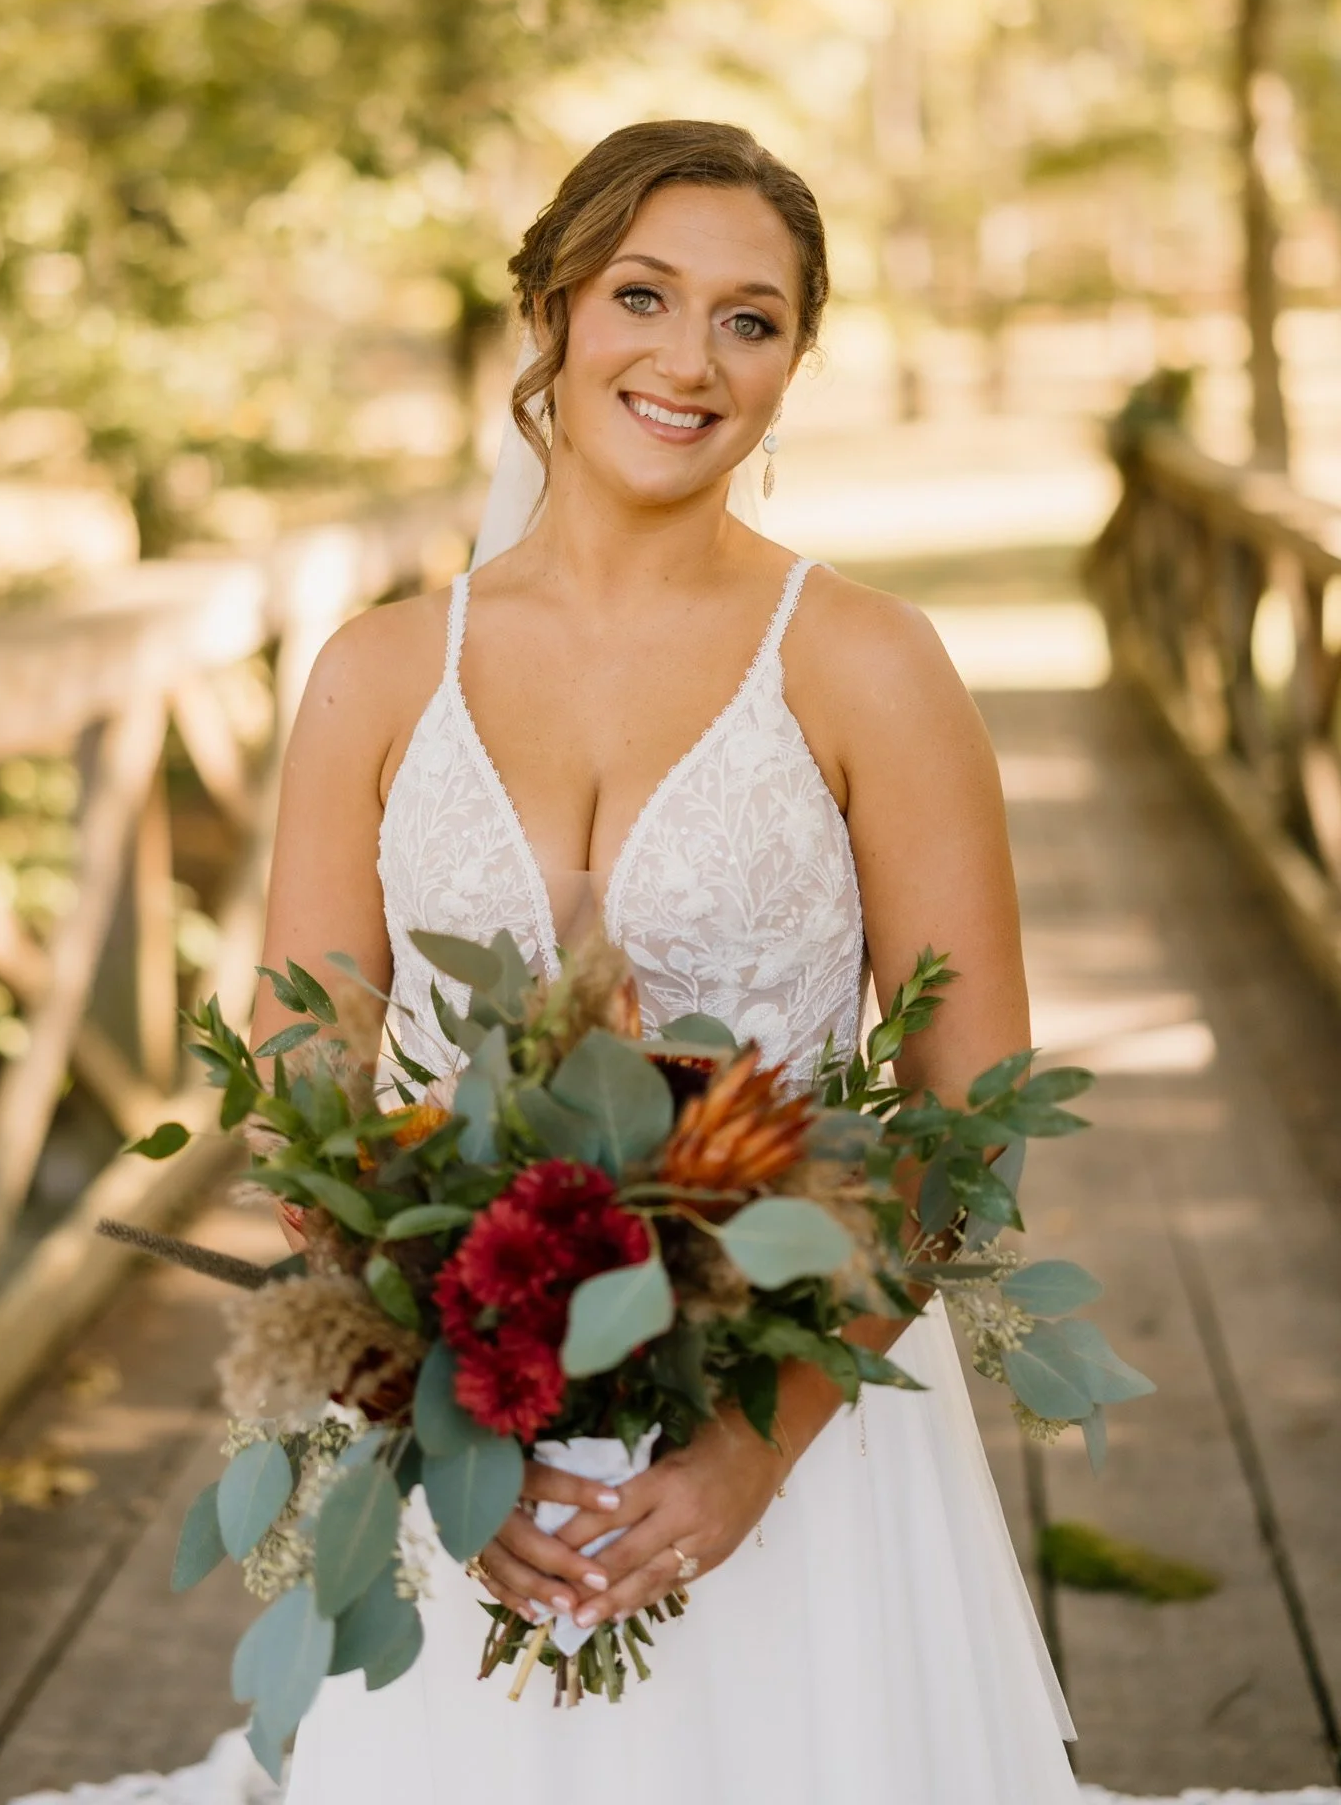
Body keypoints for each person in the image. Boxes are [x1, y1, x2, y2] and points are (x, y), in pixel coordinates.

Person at [258, 119, 1078, 1802]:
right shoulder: (377, 672)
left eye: (751, 319)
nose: (690, 359)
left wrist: (747, 1462)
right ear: (548, 310)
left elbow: (968, 1121)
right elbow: (306, 1100)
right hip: (469, 1420)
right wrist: (438, 1434)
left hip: (803, 1416)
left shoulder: (869, 666)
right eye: (644, 293)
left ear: (792, 364)